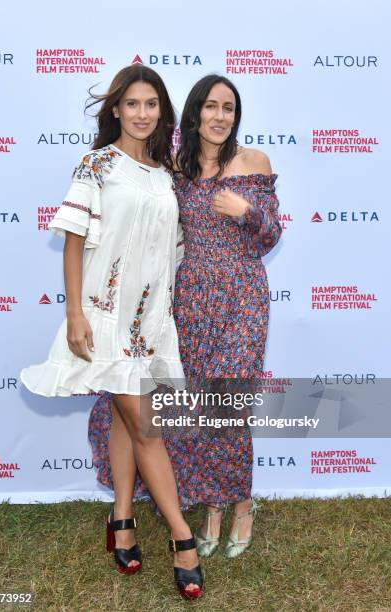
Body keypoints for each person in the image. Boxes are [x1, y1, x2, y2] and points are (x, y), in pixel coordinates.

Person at [20, 64, 203, 599]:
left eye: (151, 105)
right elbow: (75, 240)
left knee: (128, 421)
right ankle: (182, 536)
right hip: (104, 315)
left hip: (150, 321)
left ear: (161, 113)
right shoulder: (97, 165)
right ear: (116, 109)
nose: (142, 113)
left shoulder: (167, 175)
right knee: (146, 426)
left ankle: (121, 519)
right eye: (132, 104)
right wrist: (75, 313)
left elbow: (169, 251)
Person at [166, 73, 282, 558]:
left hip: (242, 296)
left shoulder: (253, 161)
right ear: (194, 114)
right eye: (210, 107)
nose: (219, 117)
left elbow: (271, 235)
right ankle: (212, 505)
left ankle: (242, 505)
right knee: (200, 404)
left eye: (228, 108)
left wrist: (245, 211)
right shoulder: (177, 168)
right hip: (191, 298)